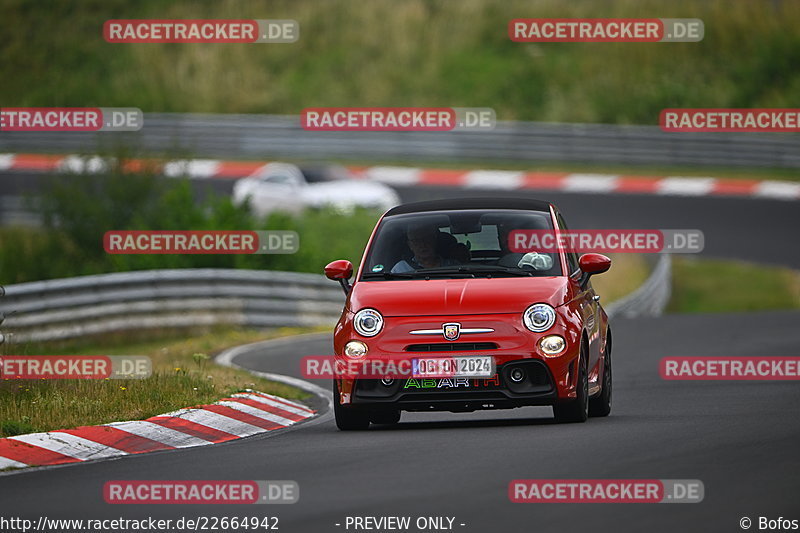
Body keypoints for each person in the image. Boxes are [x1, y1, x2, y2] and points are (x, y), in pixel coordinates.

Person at [391, 223, 459, 273]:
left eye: (426, 239)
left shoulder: (454, 266)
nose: (422, 244)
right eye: (417, 241)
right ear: (410, 245)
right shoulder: (400, 269)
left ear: (434, 240)